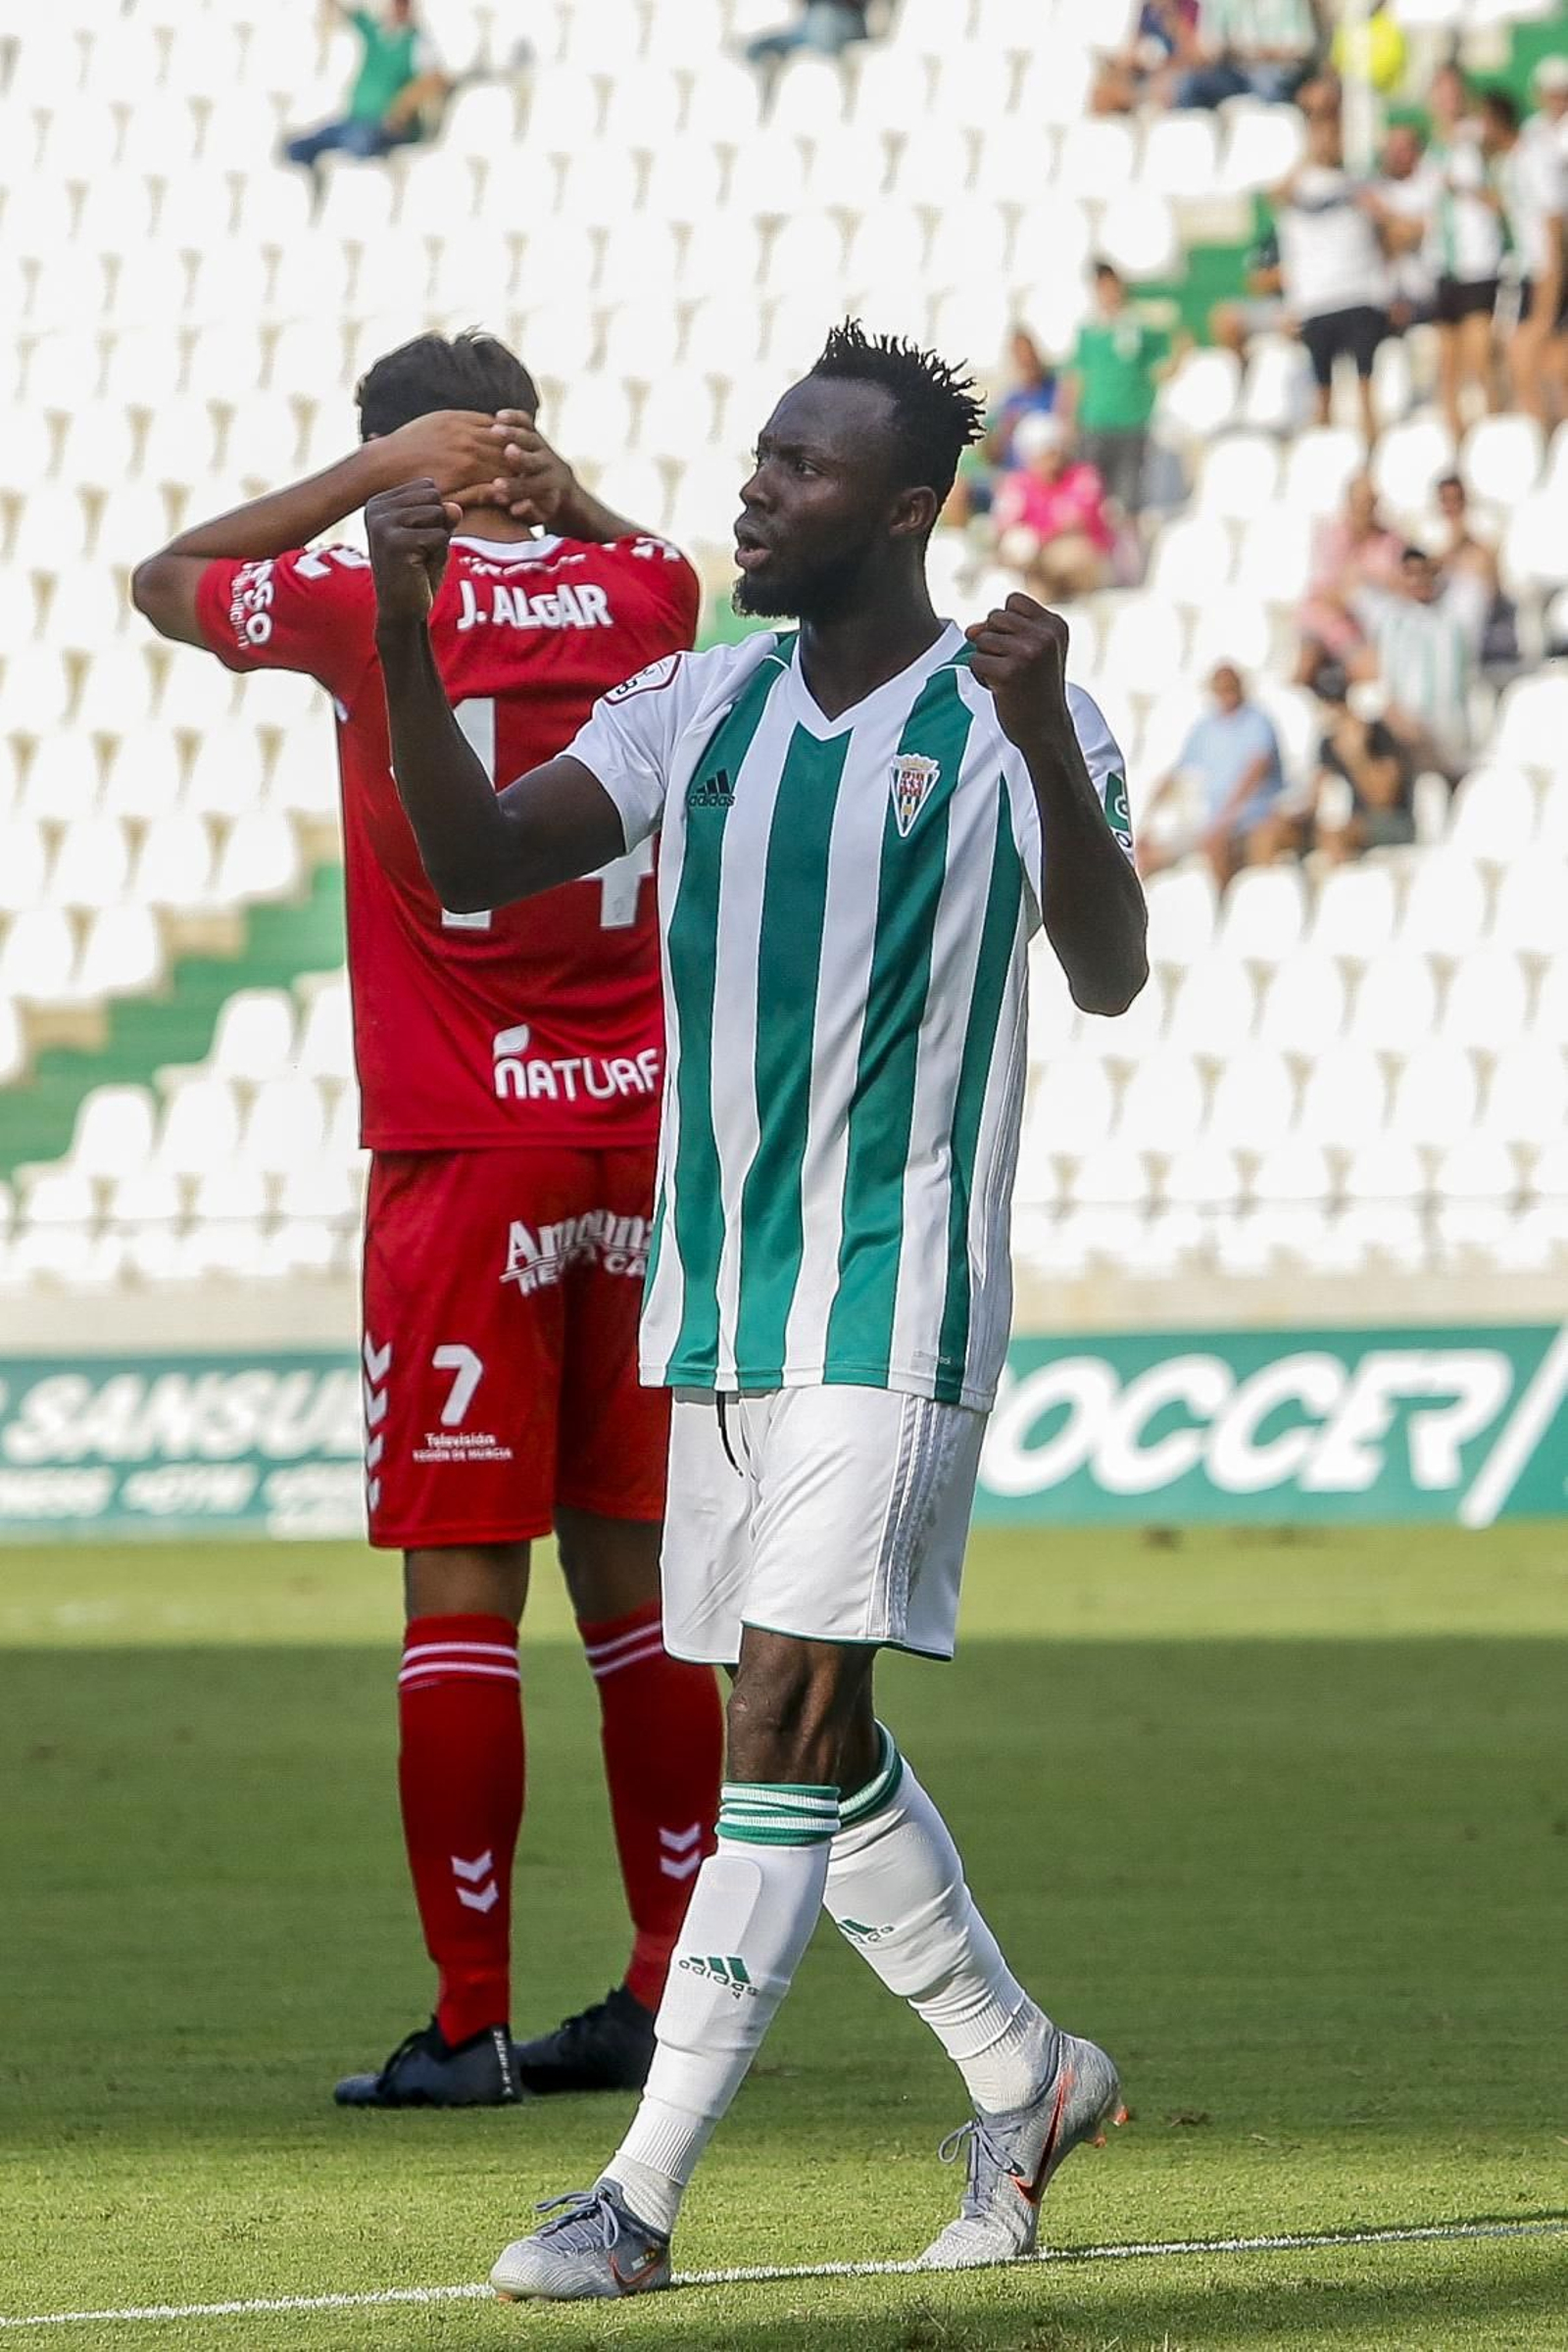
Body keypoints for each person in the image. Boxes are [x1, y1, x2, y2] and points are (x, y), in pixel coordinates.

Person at [365, 318, 1148, 2297]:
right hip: (715, 1309)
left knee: (779, 1719)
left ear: (904, 510)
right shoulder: (686, 704)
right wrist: (397, 632)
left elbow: (1111, 965)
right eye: (761, 455)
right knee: (808, 1737)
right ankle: (1022, 2072)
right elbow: (470, 864)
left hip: (897, 1297)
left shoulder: (1006, 714)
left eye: (804, 468)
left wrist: (1047, 725)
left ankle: (631, 2201)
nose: (756, 489)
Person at [131, 331, 724, 2109]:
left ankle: (467, 2020)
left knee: (462, 1592)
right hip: (638, 1144)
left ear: (402, 454)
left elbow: (167, 578)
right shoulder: (647, 587)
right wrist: (566, 483)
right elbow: (671, 562)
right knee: (638, 1585)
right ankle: (660, 1990)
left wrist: (367, 488)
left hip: (464, 1147)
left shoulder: (351, 588)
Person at [1273, 81, 1393, 446]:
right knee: (1321, 394)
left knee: (1365, 389)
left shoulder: (1359, 182)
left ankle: (1372, 459)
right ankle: (1325, 459)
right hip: (1317, 298)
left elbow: (1393, 231)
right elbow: (1277, 195)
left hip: (1359, 292)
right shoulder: (1300, 183)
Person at [1139, 663, 1295, 886]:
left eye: (1231, 689)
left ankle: (1222, 907)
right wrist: (1148, 821)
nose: (1227, 696)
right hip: (1213, 814)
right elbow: (1177, 773)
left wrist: (1225, 817)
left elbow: (1256, 770)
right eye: (1222, 690)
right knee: (1147, 854)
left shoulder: (1257, 721)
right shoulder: (1204, 727)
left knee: (1217, 843)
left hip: (1254, 811)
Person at [1424, 65, 1506, 443]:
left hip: (1480, 262)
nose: (1448, 99)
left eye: (1454, 91)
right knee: (1448, 365)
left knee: (1481, 356)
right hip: (1445, 264)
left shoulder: (1478, 138)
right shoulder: (1432, 148)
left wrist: (1466, 189)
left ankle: (1496, 432)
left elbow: (1502, 196)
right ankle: (1456, 444)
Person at [1059, 262, 1177, 518]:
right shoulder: (1089, 330)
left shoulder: (1140, 327)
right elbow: (1077, 377)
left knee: (1128, 499)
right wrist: (1069, 419)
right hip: (1096, 422)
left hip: (1132, 420)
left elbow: (1161, 366)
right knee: (1091, 498)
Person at [1352, 543, 1474, 784]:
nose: (1418, 581)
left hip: (1443, 727)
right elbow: (1352, 581)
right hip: (1401, 722)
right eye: (1410, 574)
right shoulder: (1389, 618)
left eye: (1423, 573)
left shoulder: (1453, 619)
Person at [1485, 87, 1568, 426]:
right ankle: (1544, 441)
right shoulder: (1512, 162)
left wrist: (1552, 287)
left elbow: (1554, 222)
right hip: (1532, 271)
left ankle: (1550, 443)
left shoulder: (1536, 158)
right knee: (1522, 358)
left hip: (1549, 271)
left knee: (1539, 360)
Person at [283, 3, 446, 172]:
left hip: (387, 127)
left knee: (360, 143)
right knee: (299, 148)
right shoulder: (374, 33)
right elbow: (342, 10)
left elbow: (435, 80)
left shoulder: (418, 42)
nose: (394, 8)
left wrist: (401, 110)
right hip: (354, 119)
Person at [991, 413, 1115, 601]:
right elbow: (1004, 525)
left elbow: (1076, 522)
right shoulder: (1018, 485)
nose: (1052, 460)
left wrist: (1037, 541)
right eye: (1043, 454)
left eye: (1053, 451)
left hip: (1087, 565)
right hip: (1037, 569)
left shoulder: (1083, 477)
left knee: (1070, 553)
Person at [1295, 469, 1403, 677]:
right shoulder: (1331, 536)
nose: (1364, 509)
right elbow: (1325, 593)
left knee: (1372, 669)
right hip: (1326, 621)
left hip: (1363, 630)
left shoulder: (1391, 541)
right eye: (1359, 503)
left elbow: (1394, 590)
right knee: (1306, 662)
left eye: (1369, 503)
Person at [1307, 653, 1415, 860]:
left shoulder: (1378, 733)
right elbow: (1317, 798)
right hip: (1348, 822)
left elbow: (1384, 800)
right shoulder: (1327, 742)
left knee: (1335, 838)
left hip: (1392, 823)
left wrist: (1357, 756)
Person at [1174, 0, 1317, 110]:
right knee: (1190, 86)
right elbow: (1208, 46)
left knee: (1268, 86)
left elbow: (1304, 45)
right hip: (1234, 71)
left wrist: (1263, 52)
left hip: (1274, 71)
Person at [1430, 471, 1500, 659]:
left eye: (1457, 499)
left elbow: (1490, 576)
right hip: (1434, 598)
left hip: (1472, 602)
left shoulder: (1482, 527)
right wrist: (1454, 547)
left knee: (1468, 594)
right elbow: (1423, 572)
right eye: (1446, 499)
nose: (1451, 505)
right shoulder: (1427, 530)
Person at [745, 0, 870, 68]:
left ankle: (784, 54)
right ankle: (765, 58)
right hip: (810, 23)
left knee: (821, 20)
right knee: (756, 46)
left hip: (842, 20)